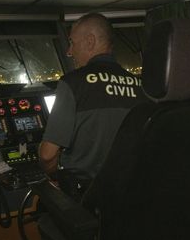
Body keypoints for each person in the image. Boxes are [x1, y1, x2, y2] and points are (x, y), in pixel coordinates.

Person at [39, 13, 147, 197]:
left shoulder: (72, 83)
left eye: (72, 43)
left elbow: (48, 155)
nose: (69, 52)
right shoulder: (140, 85)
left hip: (87, 197)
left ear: (90, 41)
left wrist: (54, 176)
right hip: (131, 193)